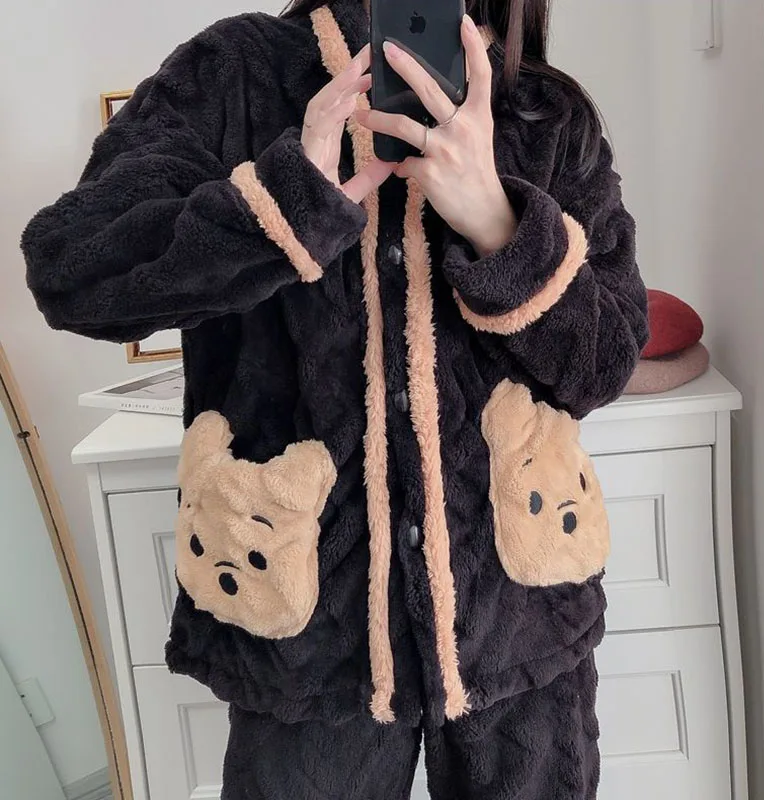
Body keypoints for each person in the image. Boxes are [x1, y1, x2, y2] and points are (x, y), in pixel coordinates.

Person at [22, 0, 649, 796]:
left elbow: (605, 362)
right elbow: (71, 271)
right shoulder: (236, 74)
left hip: (519, 608)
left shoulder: (542, 112)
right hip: (308, 634)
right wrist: (278, 209)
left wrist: (499, 225)